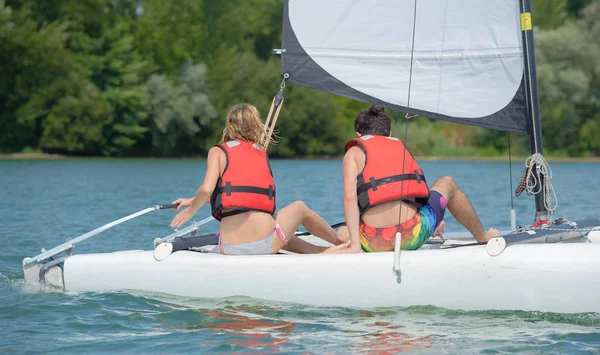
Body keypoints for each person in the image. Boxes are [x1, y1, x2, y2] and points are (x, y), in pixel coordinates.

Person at [170, 103, 349, 255]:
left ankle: (320, 252)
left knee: (284, 236)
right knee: (299, 208)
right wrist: (191, 210)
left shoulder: (218, 151)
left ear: (229, 125)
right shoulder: (260, 153)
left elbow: (231, 195)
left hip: (229, 247)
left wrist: (194, 201)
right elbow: (210, 190)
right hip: (263, 245)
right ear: (256, 124)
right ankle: (338, 240)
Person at [341, 105, 500, 253]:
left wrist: (356, 245)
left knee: (343, 230)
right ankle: (483, 237)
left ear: (358, 134)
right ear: (389, 133)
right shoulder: (399, 147)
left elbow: (350, 198)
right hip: (412, 235)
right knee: (447, 182)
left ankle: (350, 244)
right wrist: (432, 219)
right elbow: (414, 193)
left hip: (372, 242)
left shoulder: (353, 154)